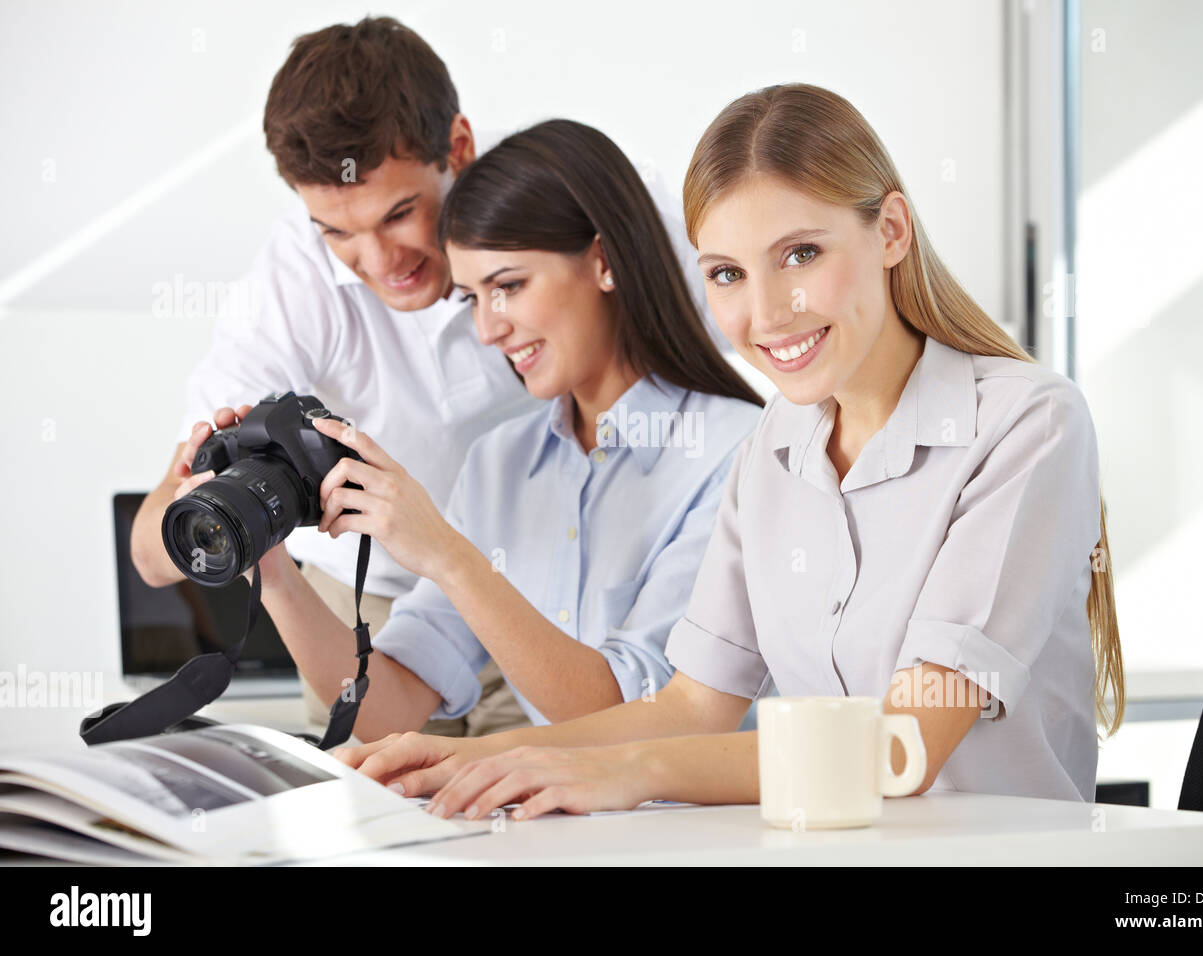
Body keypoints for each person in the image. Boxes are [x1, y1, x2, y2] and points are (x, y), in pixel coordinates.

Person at [332, 82, 1126, 814]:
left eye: (801, 255)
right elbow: (688, 707)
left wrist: (633, 772)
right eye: (726, 273)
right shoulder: (774, 448)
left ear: (889, 231)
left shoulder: (1026, 424)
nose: (767, 312)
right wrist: (455, 760)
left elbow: (904, 748)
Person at [130, 16, 723, 738]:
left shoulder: (720, 450)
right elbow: (382, 706)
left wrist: (442, 548)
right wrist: (254, 546)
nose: (379, 260)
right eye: (338, 234)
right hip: (387, 594)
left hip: (524, 585)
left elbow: (625, 725)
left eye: (400, 214)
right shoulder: (296, 298)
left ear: (458, 150)